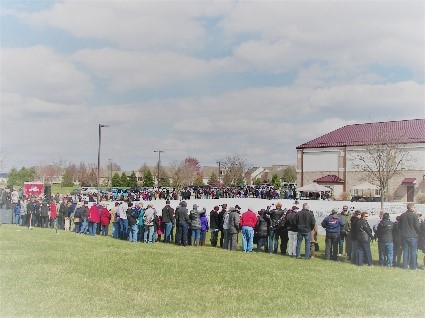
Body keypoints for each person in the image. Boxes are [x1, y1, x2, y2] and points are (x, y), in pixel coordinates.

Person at [399, 203, 420, 270]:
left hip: (404, 235)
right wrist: (418, 232)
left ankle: (405, 266)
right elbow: (417, 226)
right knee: (413, 251)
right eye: (414, 207)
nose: (415, 208)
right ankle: (413, 266)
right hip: (413, 235)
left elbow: (399, 226)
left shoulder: (402, 215)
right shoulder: (414, 216)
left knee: (405, 251)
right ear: (411, 208)